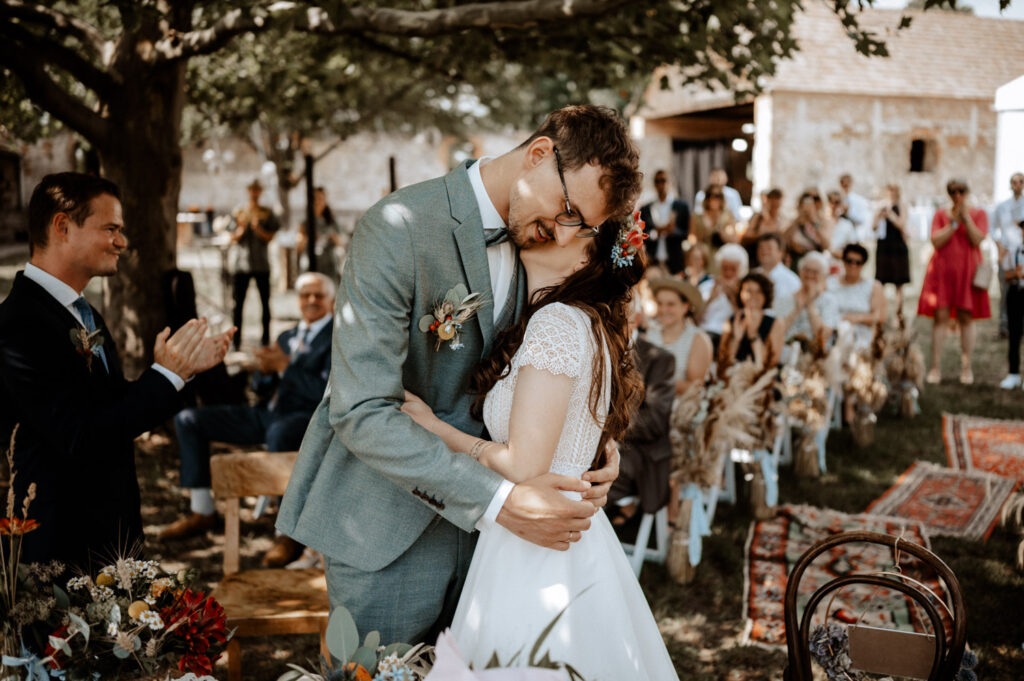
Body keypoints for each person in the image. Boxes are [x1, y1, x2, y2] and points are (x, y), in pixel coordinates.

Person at [275, 105, 637, 646]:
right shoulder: (398, 227)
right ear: (539, 154)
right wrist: (496, 501)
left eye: (581, 226)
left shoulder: (542, 246)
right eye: (568, 211)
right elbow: (361, 410)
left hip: (502, 554)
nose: (566, 236)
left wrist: (588, 449)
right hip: (390, 534)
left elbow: (549, 370)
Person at [401, 216, 678, 679]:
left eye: (574, 226)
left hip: (537, 537)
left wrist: (435, 428)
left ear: (588, 257)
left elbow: (523, 465)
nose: (554, 227)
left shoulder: (557, 322)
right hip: (571, 528)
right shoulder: (588, 323)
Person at [0, 172, 234, 570]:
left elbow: (108, 407)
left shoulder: (84, 314)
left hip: (109, 538)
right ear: (62, 227)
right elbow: (80, 434)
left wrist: (176, 373)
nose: (122, 242)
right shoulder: (19, 325)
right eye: (110, 229)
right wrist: (165, 377)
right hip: (61, 549)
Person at [160, 273, 335, 565]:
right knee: (189, 420)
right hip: (267, 412)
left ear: (332, 300)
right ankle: (202, 511)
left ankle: (288, 533)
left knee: (280, 432)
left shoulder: (337, 338)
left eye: (319, 295)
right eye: (306, 295)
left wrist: (287, 367)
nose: (311, 300)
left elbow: (326, 390)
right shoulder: (287, 336)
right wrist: (264, 373)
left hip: (306, 417)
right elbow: (261, 387)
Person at [606, 299, 675, 532]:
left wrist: (605, 430)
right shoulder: (594, 349)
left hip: (637, 449)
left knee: (588, 472)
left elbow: (655, 420)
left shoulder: (659, 359)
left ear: (635, 320)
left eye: (615, 316)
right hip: (599, 443)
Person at [918, 178, 990, 385]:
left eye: (960, 191)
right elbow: (936, 241)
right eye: (952, 191)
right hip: (942, 272)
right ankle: (935, 367)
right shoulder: (941, 214)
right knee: (940, 317)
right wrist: (953, 222)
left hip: (968, 272)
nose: (957, 195)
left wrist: (965, 218)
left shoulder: (979, 214)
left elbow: (978, 239)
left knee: (966, 317)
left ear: (967, 192)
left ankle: (966, 367)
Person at [229, 179, 279, 349]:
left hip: (261, 264)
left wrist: (258, 229)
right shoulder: (239, 211)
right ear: (248, 191)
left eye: (257, 190)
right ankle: (236, 341)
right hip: (241, 265)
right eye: (252, 190)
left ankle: (265, 340)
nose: (254, 193)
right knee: (238, 305)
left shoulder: (266, 212)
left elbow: (271, 236)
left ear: (260, 192)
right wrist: (242, 228)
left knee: (265, 304)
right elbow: (232, 237)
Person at [647, 277, 712, 395]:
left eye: (671, 304)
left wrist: (656, 379)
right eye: (660, 303)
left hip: (683, 405)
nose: (663, 309)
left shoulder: (698, 339)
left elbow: (695, 387)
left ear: (685, 307)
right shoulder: (650, 334)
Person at [720, 272, 784, 370]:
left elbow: (771, 363)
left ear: (766, 294)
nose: (753, 295)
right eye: (748, 291)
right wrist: (736, 339)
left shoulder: (775, 323)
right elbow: (723, 362)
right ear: (740, 293)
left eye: (759, 291)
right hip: (735, 374)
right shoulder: (731, 321)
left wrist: (754, 336)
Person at [827, 243, 886, 349]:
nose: (853, 266)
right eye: (849, 261)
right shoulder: (830, 283)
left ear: (863, 264)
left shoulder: (873, 286)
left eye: (858, 262)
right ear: (843, 261)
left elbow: (880, 317)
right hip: (832, 332)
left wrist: (856, 318)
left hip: (861, 337)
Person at [775, 251, 840, 346]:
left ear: (824, 276)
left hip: (815, 351)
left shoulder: (830, 301)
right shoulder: (784, 298)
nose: (810, 275)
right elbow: (776, 333)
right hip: (786, 350)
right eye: (806, 270)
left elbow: (823, 336)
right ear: (800, 272)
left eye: (815, 272)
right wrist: (797, 309)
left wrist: (810, 304)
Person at [699, 243, 748, 350]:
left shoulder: (745, 290)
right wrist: (710, 299)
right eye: (725, 268)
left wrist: (732, 297)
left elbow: (744, 319)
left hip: (729, 337)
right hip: (703, 333)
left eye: (733, 269)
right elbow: (696, 317)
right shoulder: (706, 286)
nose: (728, 273)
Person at [640, 169, 689, 275]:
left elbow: (687, 234)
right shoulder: (646, 209)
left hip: (675, 262)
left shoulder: (681, 207)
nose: (661, 184)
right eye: (657, 181)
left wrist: (673, 231)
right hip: (653, 262)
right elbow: (643, 234)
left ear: (670, 182)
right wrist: (656, 232)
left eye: (663, 180)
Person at [994, 172, 1024, 339]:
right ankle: (1004, 325)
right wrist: (999, 246)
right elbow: (993, 228)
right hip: (1006, 256)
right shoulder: (1002, 207)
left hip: (1022, 255)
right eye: (1014, 182)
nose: (1017, 185)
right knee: (1005, 292)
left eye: (1020, 182)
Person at [873, 183, 911, 304]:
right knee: (881, 280)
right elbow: (873, 227)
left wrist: (890, 214)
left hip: (897, 245)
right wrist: (878, 214)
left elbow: (902, 224)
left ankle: (899, 312)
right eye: (889, 190)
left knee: (899, 282)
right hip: (884, 246)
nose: (891, 192)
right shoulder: (881, 205)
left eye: (893, 190)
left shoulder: (901, 206)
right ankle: (879, 308)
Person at [297, 186, 344, 283]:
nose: (317, 202)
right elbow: (299, 247)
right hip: (311, 265)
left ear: (325, 201)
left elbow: (341, 244)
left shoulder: (332, 222)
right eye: (315, 198)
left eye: (320, 198)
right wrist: (309, 238)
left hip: (329, 267)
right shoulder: (305, 223)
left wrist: (332, 237)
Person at [999, 211, 1024, 389]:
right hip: (1016, 292)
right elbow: (1006, 275)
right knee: (1014, 334)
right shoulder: (1014, 250)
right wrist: (1016, 273)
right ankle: (1013, 373)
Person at [784, 190, 830, 269]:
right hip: (796, 260)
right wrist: (797, 221)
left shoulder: (823, 222)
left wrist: (814, 222)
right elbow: (784, 240)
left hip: (816, 261)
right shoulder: (793, 222)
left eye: (815, 200)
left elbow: (826, 245)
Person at [755, 232, 801, 310]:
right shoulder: (752, 275)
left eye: (769, 248)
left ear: (781, 252)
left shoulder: (792, 280)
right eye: (761, 248)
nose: (764, 252)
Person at [690, 184, 737, 257]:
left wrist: (721, 232)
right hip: (704, 255)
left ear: (721, 198)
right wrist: (706, 232)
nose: (713, 199)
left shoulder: (728, 216)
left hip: (723, 254)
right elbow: (692, 238)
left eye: (717, 196)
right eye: (709, 195)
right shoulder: (697, 217)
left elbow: (735, 239)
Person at [743, 187, 784, 265]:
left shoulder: (781, 220)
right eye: (773, 204)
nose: (775, 207)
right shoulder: (758, 218)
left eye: (777, 205)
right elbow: (747, 236)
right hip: (756, 257)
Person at [827, 190, 859, 261]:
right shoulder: (820, 223)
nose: (833, 205)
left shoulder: (847, 225)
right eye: (830, 201)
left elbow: (853, 245)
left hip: (841, 261)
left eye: (837, 202)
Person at [839, 172, 871, 238]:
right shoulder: (836, 199)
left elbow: (862, 219)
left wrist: (848, 212)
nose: (845, 186)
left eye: (847, 184)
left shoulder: (858, 200)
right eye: (843, 184)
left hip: (854, 233)